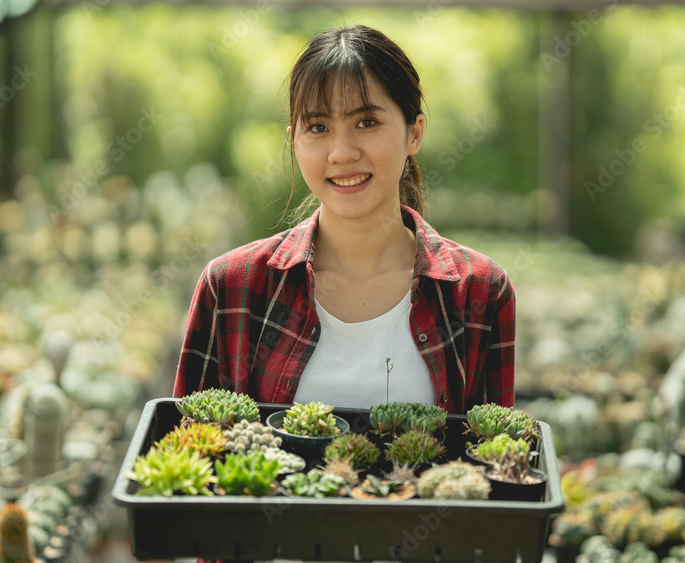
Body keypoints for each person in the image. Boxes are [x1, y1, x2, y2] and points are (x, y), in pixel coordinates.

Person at [173, 24, 515, 413]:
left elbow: (492, 457)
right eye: (318, 127)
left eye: (366, 122)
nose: (341, 152)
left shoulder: (480, 292)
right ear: (294, 141)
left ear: (414, 133)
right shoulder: (232, 287)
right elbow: (187, 455)